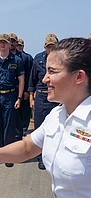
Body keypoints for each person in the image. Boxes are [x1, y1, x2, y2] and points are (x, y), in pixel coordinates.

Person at [0, 37, 91, 198]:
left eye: (52, 71)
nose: (45, 79)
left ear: (78, 77)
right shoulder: (57, 115)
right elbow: (27, 147)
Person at [0, 33, 24, 167]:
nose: (2, 45)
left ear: (9, 44)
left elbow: (21, 80)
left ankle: (8, 156)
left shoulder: (16, 60)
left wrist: (19, 97)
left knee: (9, 127)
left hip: (10, 96)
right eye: (0, 42)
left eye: (5, 43)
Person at [28, 33, 59, 170]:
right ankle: (40, 157)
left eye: (53, 47)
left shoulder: (63, 60)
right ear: (45, 47)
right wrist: (31, 97)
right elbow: (32, 80)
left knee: (57, 129)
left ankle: (54, 156)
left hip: (57, 97)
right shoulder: (38, 59)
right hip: (41, 96)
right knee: (40, 128)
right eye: (48, 47)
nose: (50, 49)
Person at [9, 33, 33, 139]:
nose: (12, 43)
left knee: (23, 112)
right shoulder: (5, 56)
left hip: (23, 90)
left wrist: (27, 91)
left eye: (14, 41)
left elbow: (29, 75)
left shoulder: (25, 58)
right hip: (10, 91)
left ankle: (22, 131)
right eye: (10, 41)